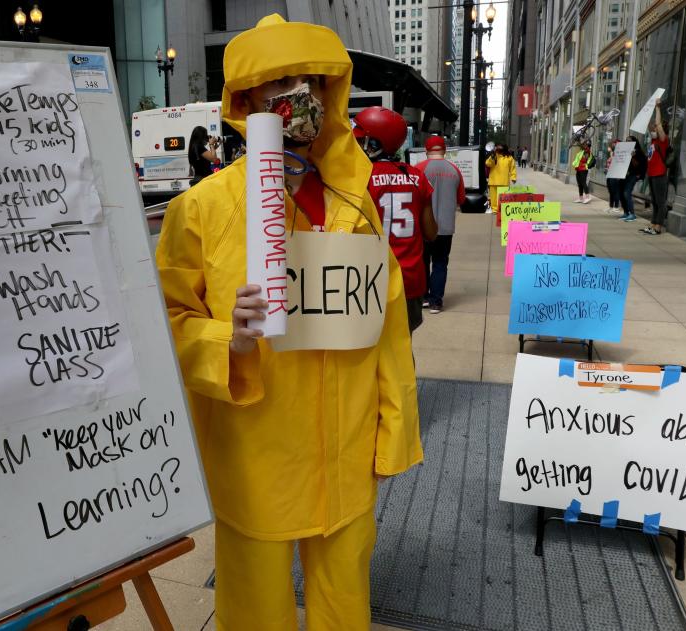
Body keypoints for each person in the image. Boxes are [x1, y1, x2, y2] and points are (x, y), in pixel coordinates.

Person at [156, 14, 422, 630]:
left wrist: (392, 429)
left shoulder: (356, 204)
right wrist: (230, 338)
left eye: (308, 79)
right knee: (255, 609)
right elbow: (168, 323)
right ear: (245, 100)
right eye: (278, 81)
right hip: (257, 459)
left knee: (344, 600)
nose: (297, 94)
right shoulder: (203, 209)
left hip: (345, 452)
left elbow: (387, 325)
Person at [353, 106, 437, 330]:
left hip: (369, 280)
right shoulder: (417, 177)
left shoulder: (360, 179)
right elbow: (431, 232)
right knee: (402, 348)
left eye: (360, 140)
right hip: (410, 279)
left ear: (374, 144)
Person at [418, 135, 466, 314]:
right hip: (446, 227)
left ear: (426, 150)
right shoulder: (454, 170)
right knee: (440, 263)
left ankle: (423, 296)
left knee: (423, 261)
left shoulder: (418, 169)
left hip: (423, 227)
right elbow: (461, 199)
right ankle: (436, 302)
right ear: (444, 150)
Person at [641, 99, 669, 235]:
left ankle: (658, 226)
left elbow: (657, 124)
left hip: (659, 174)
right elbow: (650, 125)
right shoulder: (653, 140)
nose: (654, 128)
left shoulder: (663, 141)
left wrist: (657, 108)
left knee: (660, 201)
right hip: (652, 174)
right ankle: (653, 224)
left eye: (657, 128)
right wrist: (649, 110)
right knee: (654, 201)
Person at [619, 135, 646, 222]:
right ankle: (626, 212)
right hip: (625, 175)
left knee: (627, 193)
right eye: (626, 140)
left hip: (634, 175)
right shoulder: (625, 151)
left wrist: (633, 157)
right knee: (621, 193)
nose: (627, 142)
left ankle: (632, 214)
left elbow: (639, 165)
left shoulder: (638, 152)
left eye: (629, 141)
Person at [485, 143, 517, 215]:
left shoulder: (509, 158)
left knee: (503, 197)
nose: (498, 148)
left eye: (500, 146)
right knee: (493, 198)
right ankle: (494, 210)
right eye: (497, 147)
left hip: (504, 181)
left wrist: (513, 177)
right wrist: (492, 157)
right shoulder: (494, 156)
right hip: (493, 181)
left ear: (504, 148)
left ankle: (502, 210)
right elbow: (488, 164)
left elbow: (513, 168)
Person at [605, 139, 622, 214]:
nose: (611, 146)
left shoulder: (618, 154)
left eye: (613, 145)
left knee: (615, 191)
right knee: (611, 191)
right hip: (609, 174)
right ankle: (611, 206)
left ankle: (616, 207)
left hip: (615, 174)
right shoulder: (612, 154)